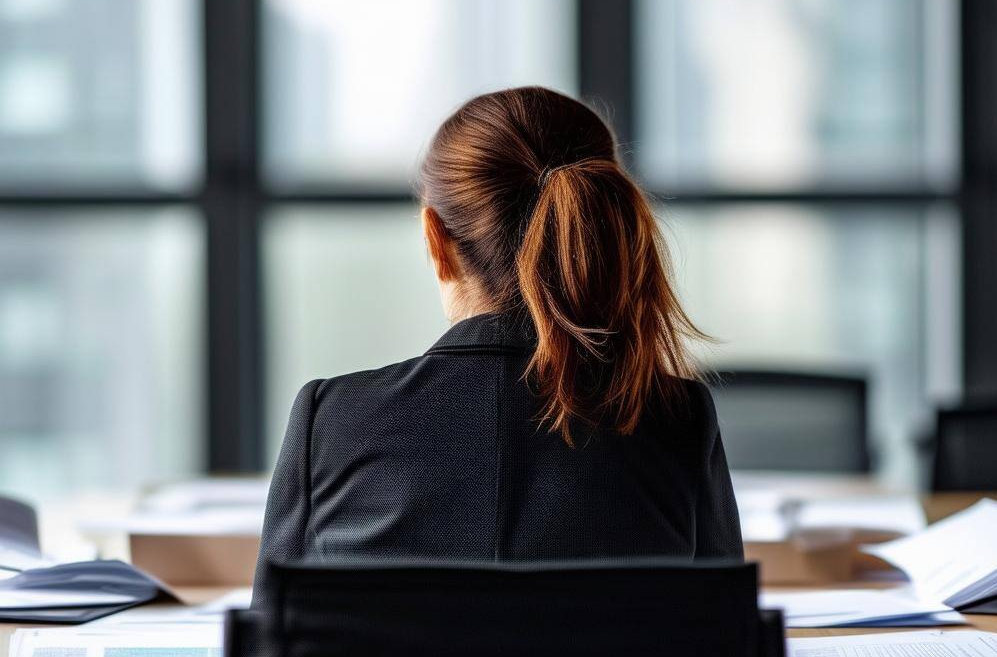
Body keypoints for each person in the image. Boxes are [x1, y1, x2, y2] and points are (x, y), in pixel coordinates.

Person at [253, 87, 740, 605]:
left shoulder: (332, 420)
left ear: (435, 239)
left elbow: (274, 656)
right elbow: (722, 654)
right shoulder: (675, 418)